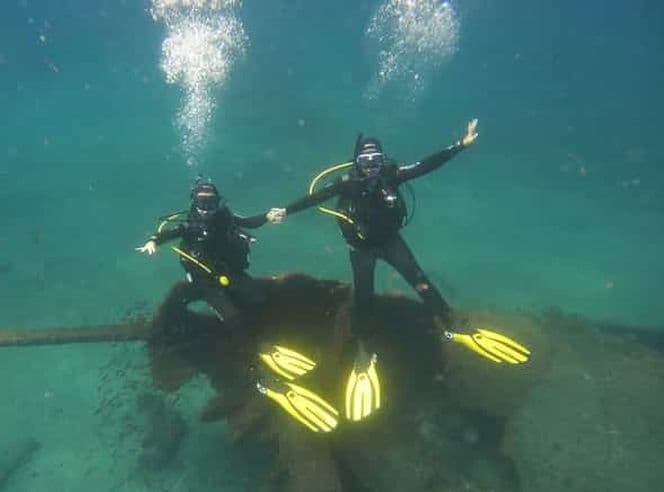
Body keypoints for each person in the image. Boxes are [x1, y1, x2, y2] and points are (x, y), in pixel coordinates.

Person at [268, 119, 530, 422]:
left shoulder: (392, 175)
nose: (371, 167)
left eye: (376, 160)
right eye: (366, 161)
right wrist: (285, 210)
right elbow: (315, 198)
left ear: (383, 159)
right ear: (357, 162)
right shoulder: (346, 183)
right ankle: (364, 348)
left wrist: (460, 145)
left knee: (420, 281)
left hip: (391, 241)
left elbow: (427, 165)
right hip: (362, 249)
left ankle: (450, 324)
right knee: (364, 297)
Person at [137, 178, 280, 325]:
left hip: (229, 269)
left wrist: (267, 216)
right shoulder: (189, 225)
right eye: (202, 203)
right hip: (204, 276)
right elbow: (169, 233)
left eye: (211, 202)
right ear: (194, 202)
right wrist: (152, 241)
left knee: (259, 299)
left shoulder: (225, 217)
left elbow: (248, 222)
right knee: (232, 317)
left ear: (218, 202)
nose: (206, 209)